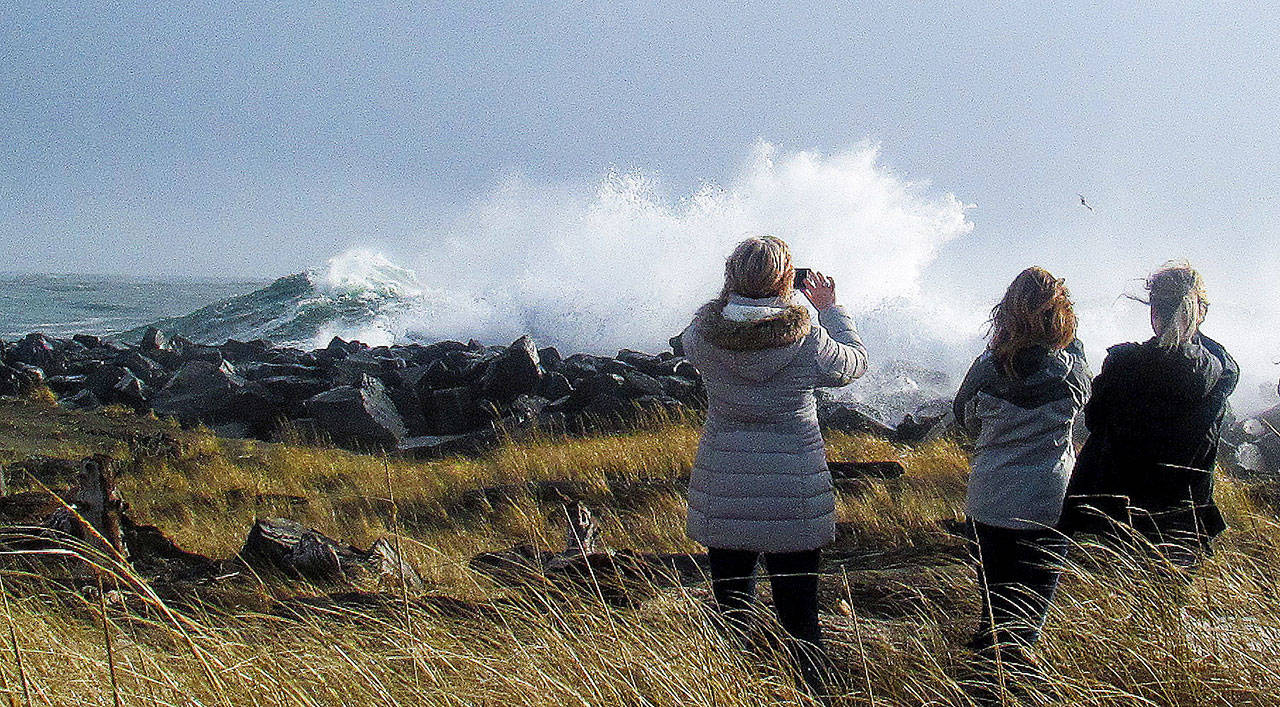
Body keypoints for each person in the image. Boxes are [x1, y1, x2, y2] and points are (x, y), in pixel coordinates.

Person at [681, 235, 867, 693]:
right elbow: (854, 366)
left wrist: (737, 297)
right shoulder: (808, 337)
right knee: (802, 621)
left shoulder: (702, 336)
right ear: (788, 280)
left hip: (724, 488)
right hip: (794, 490)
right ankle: (815, 695)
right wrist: (828, 310)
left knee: (731, 617)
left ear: (731, 277)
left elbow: (701, 330)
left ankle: (729, 693)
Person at [952, 267, 1090, 674]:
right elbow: (1084, 408)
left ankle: (986, 676)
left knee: (995, 598)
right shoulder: (1073, 372)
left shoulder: (987, 367)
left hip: (991, 498)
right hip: (1047, 503)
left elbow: (964, 417)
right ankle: (1009, 680)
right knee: (1031, 610)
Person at [1061, 261, 1238, 568]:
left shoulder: (1123, 364)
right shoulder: (1221, 373)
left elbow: (1092, 421)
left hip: (1112, 516)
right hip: (1181, 522)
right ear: (1200, 312)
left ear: (1154, 311)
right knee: (1167, 612)